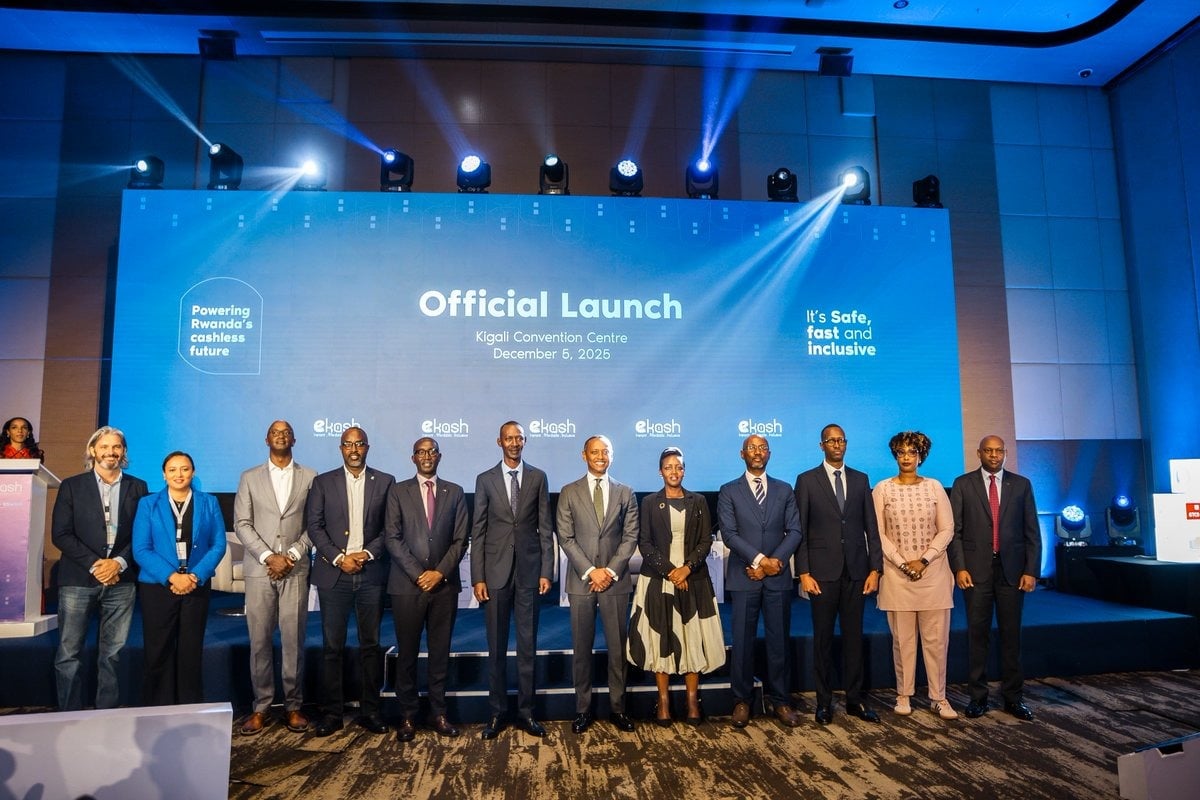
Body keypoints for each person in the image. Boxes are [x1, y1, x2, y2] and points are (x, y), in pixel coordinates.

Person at [51, 426, 148, 710]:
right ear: (93, 450)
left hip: (122, 579)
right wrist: (97, 565)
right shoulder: (71, 485)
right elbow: (61, 534)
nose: (110, 452)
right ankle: (68, 715)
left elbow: (142, 534)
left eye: (116, 447)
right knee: (68, 653)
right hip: (78, 579)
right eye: (104, 446)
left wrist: (118, 563)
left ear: (123, 451)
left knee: (112, 654)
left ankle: (106, 714)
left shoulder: (138, 487)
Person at [306, 425, 395, 737]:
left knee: (370, 645)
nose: (354, 450)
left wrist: (367, 554)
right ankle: (332, 713)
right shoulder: (322, 482)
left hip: (371, 574)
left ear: (367, 447)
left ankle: (371, 711)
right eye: (348, 444)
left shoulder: (385, 481)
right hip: (334, 575)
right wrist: (338, 557)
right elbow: (314, 526)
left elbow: (389, 528)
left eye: (359, 444)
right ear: (341, 448)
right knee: (332, 647)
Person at [627, 447, 725, 727]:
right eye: (668, 467)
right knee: (662, 640)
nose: (674, 471)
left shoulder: (699, 501)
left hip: (693, 581)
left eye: (679, 467)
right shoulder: (649, 502)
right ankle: (664, 701)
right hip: (659, 581)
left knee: (692, 638)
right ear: (660, 472)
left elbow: (705, 540)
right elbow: (645, 543)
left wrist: (686, 568)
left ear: (684, 470)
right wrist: (671, 571)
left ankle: (692, 700)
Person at [794, 424, 882, 725]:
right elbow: (800, 531)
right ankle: (823, 703)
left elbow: (872, 527)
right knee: (823, 640)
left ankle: (855, 700)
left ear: (846, 443)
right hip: (821, 573)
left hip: (856, 572)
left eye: (841, 440)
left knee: (854, 639)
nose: (837, 444)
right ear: (822, 446)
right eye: (831, 441)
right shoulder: (807, 480)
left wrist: (875, 569)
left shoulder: (861, 479)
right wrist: (803, 572)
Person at [233, 420, 317, 735]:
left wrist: (292, 555)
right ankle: (261, 707)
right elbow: (242, 523)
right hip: (260, 570)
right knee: (259, 641)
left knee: (293, 640)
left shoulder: (310, 476)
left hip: (295, 569)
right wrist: (269, 556)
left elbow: (315, 523)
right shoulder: (249, 477)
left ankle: (293, 706)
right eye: (275, 432)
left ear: (294, 439)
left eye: (286, 432)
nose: (281, 436)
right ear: (266, 439)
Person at [949, 435, 1042, 721]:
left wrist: (1031, 570)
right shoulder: (963, 484)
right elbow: (955, 532)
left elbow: (1032, 532)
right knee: (977, 636)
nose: (993, 455)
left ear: (1005, 453)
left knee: (1011, 637)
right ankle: (978, 698)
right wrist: (959, 568)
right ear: (979, 453)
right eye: (988, 450)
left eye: (998, 450)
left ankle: (1013, 698)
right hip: (975, 572)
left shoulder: (1021, 484)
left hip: (1012, 572)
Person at [471, 420, 554, 739]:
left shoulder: (538, 477)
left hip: (530, 573)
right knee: (496, 647)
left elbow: (545, 528)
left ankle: (526, 712)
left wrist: (546, 570)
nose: (514, 443)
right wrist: (478, 577)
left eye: (519, 438)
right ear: (499, 442)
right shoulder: (485, 479)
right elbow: (478, 531)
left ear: (525, 441)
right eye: (509, 438)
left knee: (527, 646)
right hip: (495, 574)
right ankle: (496, 713)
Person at [384, 436, 469, 741]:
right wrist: (420, 574)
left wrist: (439, 573)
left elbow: (460, 540)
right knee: (407, 654)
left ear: (439, 456)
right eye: (421, 452)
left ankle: (438, 713)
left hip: (443, 588)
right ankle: (408, 715)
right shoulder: (398, 491)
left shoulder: (455, 492)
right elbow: (392, 538)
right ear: (413, 458)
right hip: (407, 586)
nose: (427, 456)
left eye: (432, 451)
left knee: (439, 653)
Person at [717, 434, 803, 728]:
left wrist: (769, 566)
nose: (757, 452)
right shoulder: (729, 491)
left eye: (762, 448)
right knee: (742, 643)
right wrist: (759, 561)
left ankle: (781, 701)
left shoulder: (784, 489)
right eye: (752, 448)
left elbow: (795, 531)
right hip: (745, 577)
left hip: (776, 578)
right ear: (742, 454)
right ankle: (742, 701)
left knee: (779, 642)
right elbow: (729, 534)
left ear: (769, 454)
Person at [557, 435, 639, 734]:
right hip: (582, 582)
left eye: (606, 451)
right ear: (584, 455)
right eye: (595, 452)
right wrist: (592, 571)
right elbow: (565, 537)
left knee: (617, 649)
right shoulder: (569, 491)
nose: (600, 456)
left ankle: (618, 708)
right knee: (582, 649)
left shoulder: (626, 492)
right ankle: (583, 709)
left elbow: (630, 536)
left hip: (615, 583)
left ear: (612, 455)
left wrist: (610, 571)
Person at [872, 431, 957, 720]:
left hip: (933, 574)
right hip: (897, 576)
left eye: (912, 452)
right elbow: (877, 533)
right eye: (901, 452)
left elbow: (947, 529)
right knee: (903, 642)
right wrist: (901, 563)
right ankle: (903, 694)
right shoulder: (882, 489)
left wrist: (923, 560)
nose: (906, 457)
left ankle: (939, 697)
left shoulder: (934, 487)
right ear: (895, 455)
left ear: (921, 456)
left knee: (936, 642)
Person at [132, 451, 226, 705]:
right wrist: (172, 576)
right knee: (158, 648)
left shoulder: (209, 502)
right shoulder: (148, 504)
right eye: (172, 470)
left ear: (193, 473)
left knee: (190, 648)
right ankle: (158, 706)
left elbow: (218, 544)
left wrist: (194, 576)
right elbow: (141, 549)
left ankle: (189, 704)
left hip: (196, 584)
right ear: (164, 475)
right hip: (158, 586)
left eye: (184, 469)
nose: (179, 474)